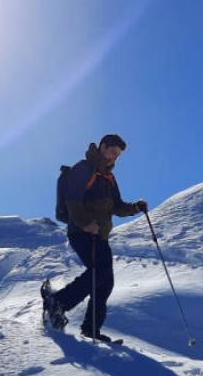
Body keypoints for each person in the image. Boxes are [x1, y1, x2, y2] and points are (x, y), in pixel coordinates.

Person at [42, 134, 148, 341]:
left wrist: (135, 207)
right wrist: (84, 223)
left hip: (100, 235)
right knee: (100, 272)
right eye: (112, 152)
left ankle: (91, 328)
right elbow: (72, 200)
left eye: (117, 156)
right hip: (82, 231)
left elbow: (116, 206)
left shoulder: (109, 178)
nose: (113, 158)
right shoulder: (84, 168)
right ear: (102, 147)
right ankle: (58, 303)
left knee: (106, 281)